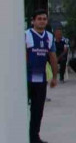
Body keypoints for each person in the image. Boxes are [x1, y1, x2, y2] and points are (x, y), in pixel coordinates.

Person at [25, 10, 59, 143]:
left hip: (41, 80)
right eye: (39, 19)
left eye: (44, 19)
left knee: (37, 110)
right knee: (21, 109)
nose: (42, 21)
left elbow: (52, 57)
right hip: (26, 80)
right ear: (33, 21)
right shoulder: (26, 35)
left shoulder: (49, 37)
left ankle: (34, 137)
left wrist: (54, 77)